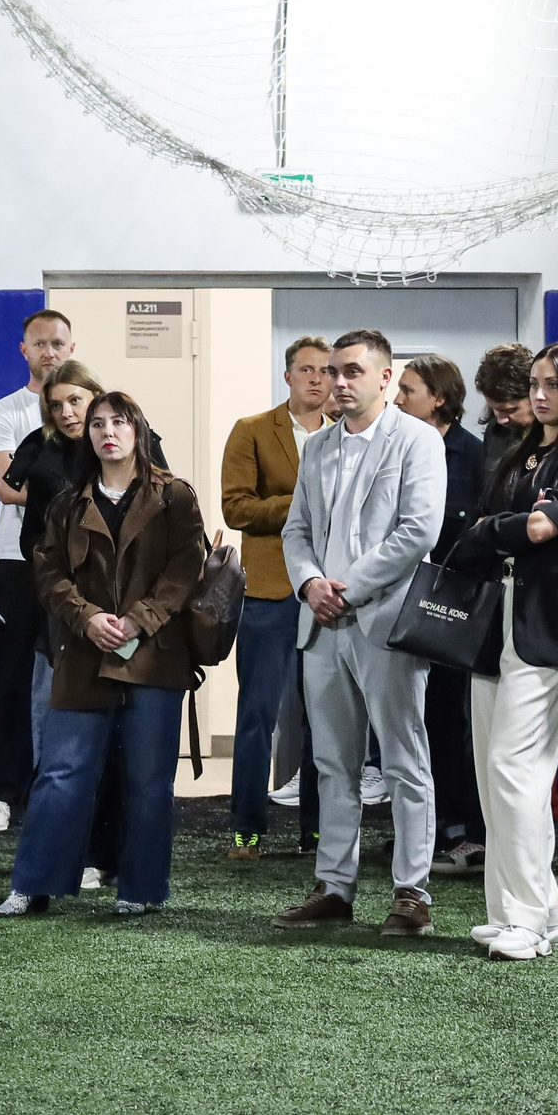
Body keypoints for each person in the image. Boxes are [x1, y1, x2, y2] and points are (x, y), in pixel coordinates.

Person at [0, 390, 206, 918]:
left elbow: (186, 569)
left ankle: (140, 890)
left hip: (155, 657)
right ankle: (32, 886)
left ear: (138, 430)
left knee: (149, 780)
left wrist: (138, 620)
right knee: (62, 772)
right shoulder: (68, 502)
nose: (107, 432)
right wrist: (87, 617)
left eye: (118, 422)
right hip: (83, 653)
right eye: (97, 425)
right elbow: (47, 573)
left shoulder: (176, 496)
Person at [271, 329, 447, 940]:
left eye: (351, 372)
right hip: (321, 625)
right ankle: (334, 887)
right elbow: (295, 532)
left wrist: (346, 587)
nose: (339, 382)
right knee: (331, 765)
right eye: (332, 372)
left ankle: (412, 894)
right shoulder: (317, 447)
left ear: (384, 376)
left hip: (385, 622)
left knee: (404, 762)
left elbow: (418, 532)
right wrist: (310, 585)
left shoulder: (418, 440)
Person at [445, 343, 558, 959]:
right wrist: (512, 527)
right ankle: (532, 912)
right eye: (536, 384)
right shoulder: (521, 450)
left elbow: (539, 528)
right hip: (498, 621)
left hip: (547, 624)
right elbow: (507, 525)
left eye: (553, 385)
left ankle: (526, 920)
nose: (541, 395)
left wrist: (501, 530)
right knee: (497, 773)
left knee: (517, 771)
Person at [218, 336, 330, 861]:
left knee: (323, 720)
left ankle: (315, 831)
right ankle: (247, 827)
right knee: (257, 715)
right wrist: (305, 503)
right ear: (287, 376)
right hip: (269, 591)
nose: (317, 379)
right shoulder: (253, 431)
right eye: (305, 369)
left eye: (326, 371)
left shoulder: (348, 435)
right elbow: (236, 509)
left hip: (332, 594)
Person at [0, 309, 74, 833]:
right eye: (40, 343)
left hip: (80, 569)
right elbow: (8, 488)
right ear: (24, 350)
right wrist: (73, 496)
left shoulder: (88, 412)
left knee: (68, 680)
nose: (50, 352)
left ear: (71, 348)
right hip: (17, 561)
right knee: (4, 678)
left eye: (59, 343)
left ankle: (56, 788)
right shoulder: (3, 413)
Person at [396, 353, 489, 876]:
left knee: (454, 719)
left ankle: (466, 832)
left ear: (440, 397)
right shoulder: (399, 447)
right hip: (401, 600)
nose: (398, 400)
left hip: (455, 604)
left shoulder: (473, 457)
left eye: (408, 390)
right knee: (416, 720)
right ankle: (426, 832)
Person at [472, 343, 535, 481]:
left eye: (510, 410)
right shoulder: (494, 432)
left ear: (534, 396)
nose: (501, 420)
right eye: (495, 409)